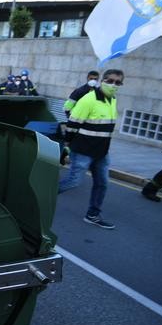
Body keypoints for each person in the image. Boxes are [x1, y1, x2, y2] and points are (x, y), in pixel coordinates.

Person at [58, 69, 124, 229]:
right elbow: (72, 124)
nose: (114, 85)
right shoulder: (88, 99)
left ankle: (92, 214)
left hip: (101, 152)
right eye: (110, 81)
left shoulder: (112, 99)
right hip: (82, 150)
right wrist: (67, 146)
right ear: (103, 80)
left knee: (102, 183)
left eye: (118, 82)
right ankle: (40, 195)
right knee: (74, 181)